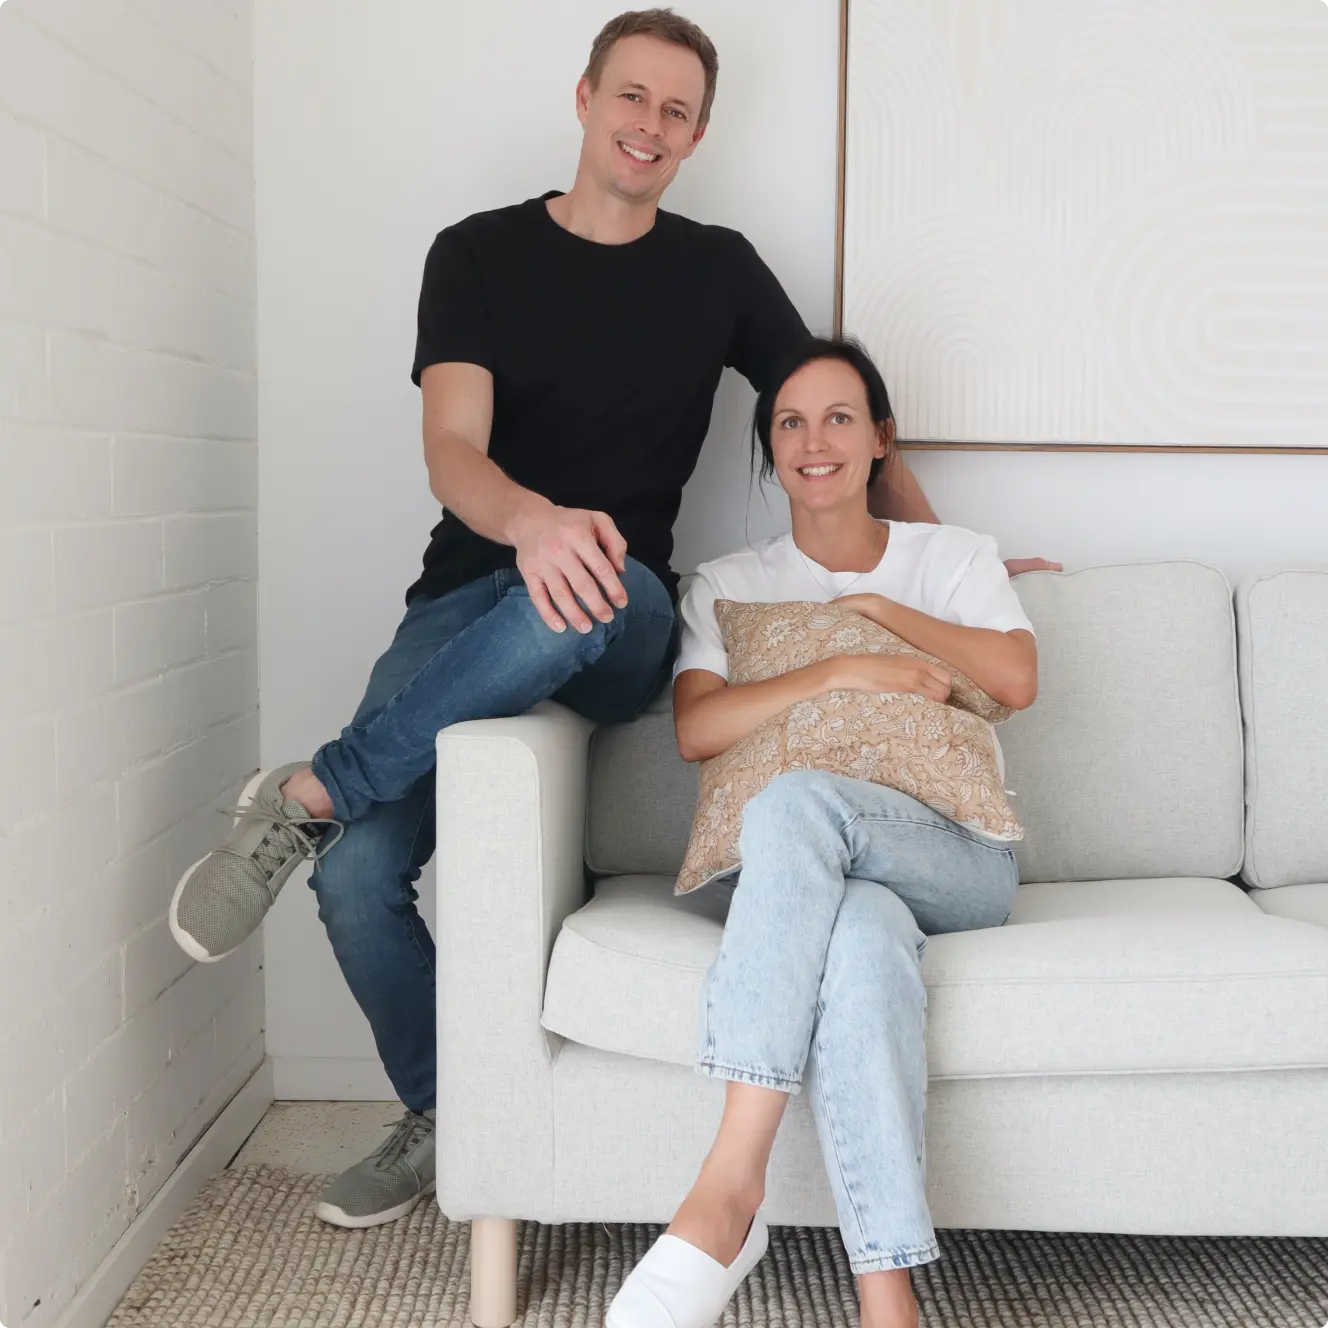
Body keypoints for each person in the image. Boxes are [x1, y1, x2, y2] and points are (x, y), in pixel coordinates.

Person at [167, 10, 1057, 1231]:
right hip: (469, 593)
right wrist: (530, 523)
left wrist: (943, 561)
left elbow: (834, 418)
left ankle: (311, 789)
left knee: (588, 585)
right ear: (584, 99)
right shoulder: (474, 253)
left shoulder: (717, 269)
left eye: (676, 111)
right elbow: (450, 450)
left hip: (617, 612)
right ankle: (444, 1108)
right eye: (631, 96)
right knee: (358, 875)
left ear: (696, 137)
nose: (650, 125)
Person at [605, 337, 1039, 1328]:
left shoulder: (953, 558)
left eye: (839, 417)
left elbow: (1016, 678)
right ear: (769, 446)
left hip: (954, 856)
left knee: (796, 801)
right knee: (860, 935)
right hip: (806, 874)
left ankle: (728, 1186)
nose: (814, 441)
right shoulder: (729, 580)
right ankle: (888, 1296)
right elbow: (696, 729)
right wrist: (839, 669)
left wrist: (878, 610)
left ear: (880, 437)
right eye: (790, 422)